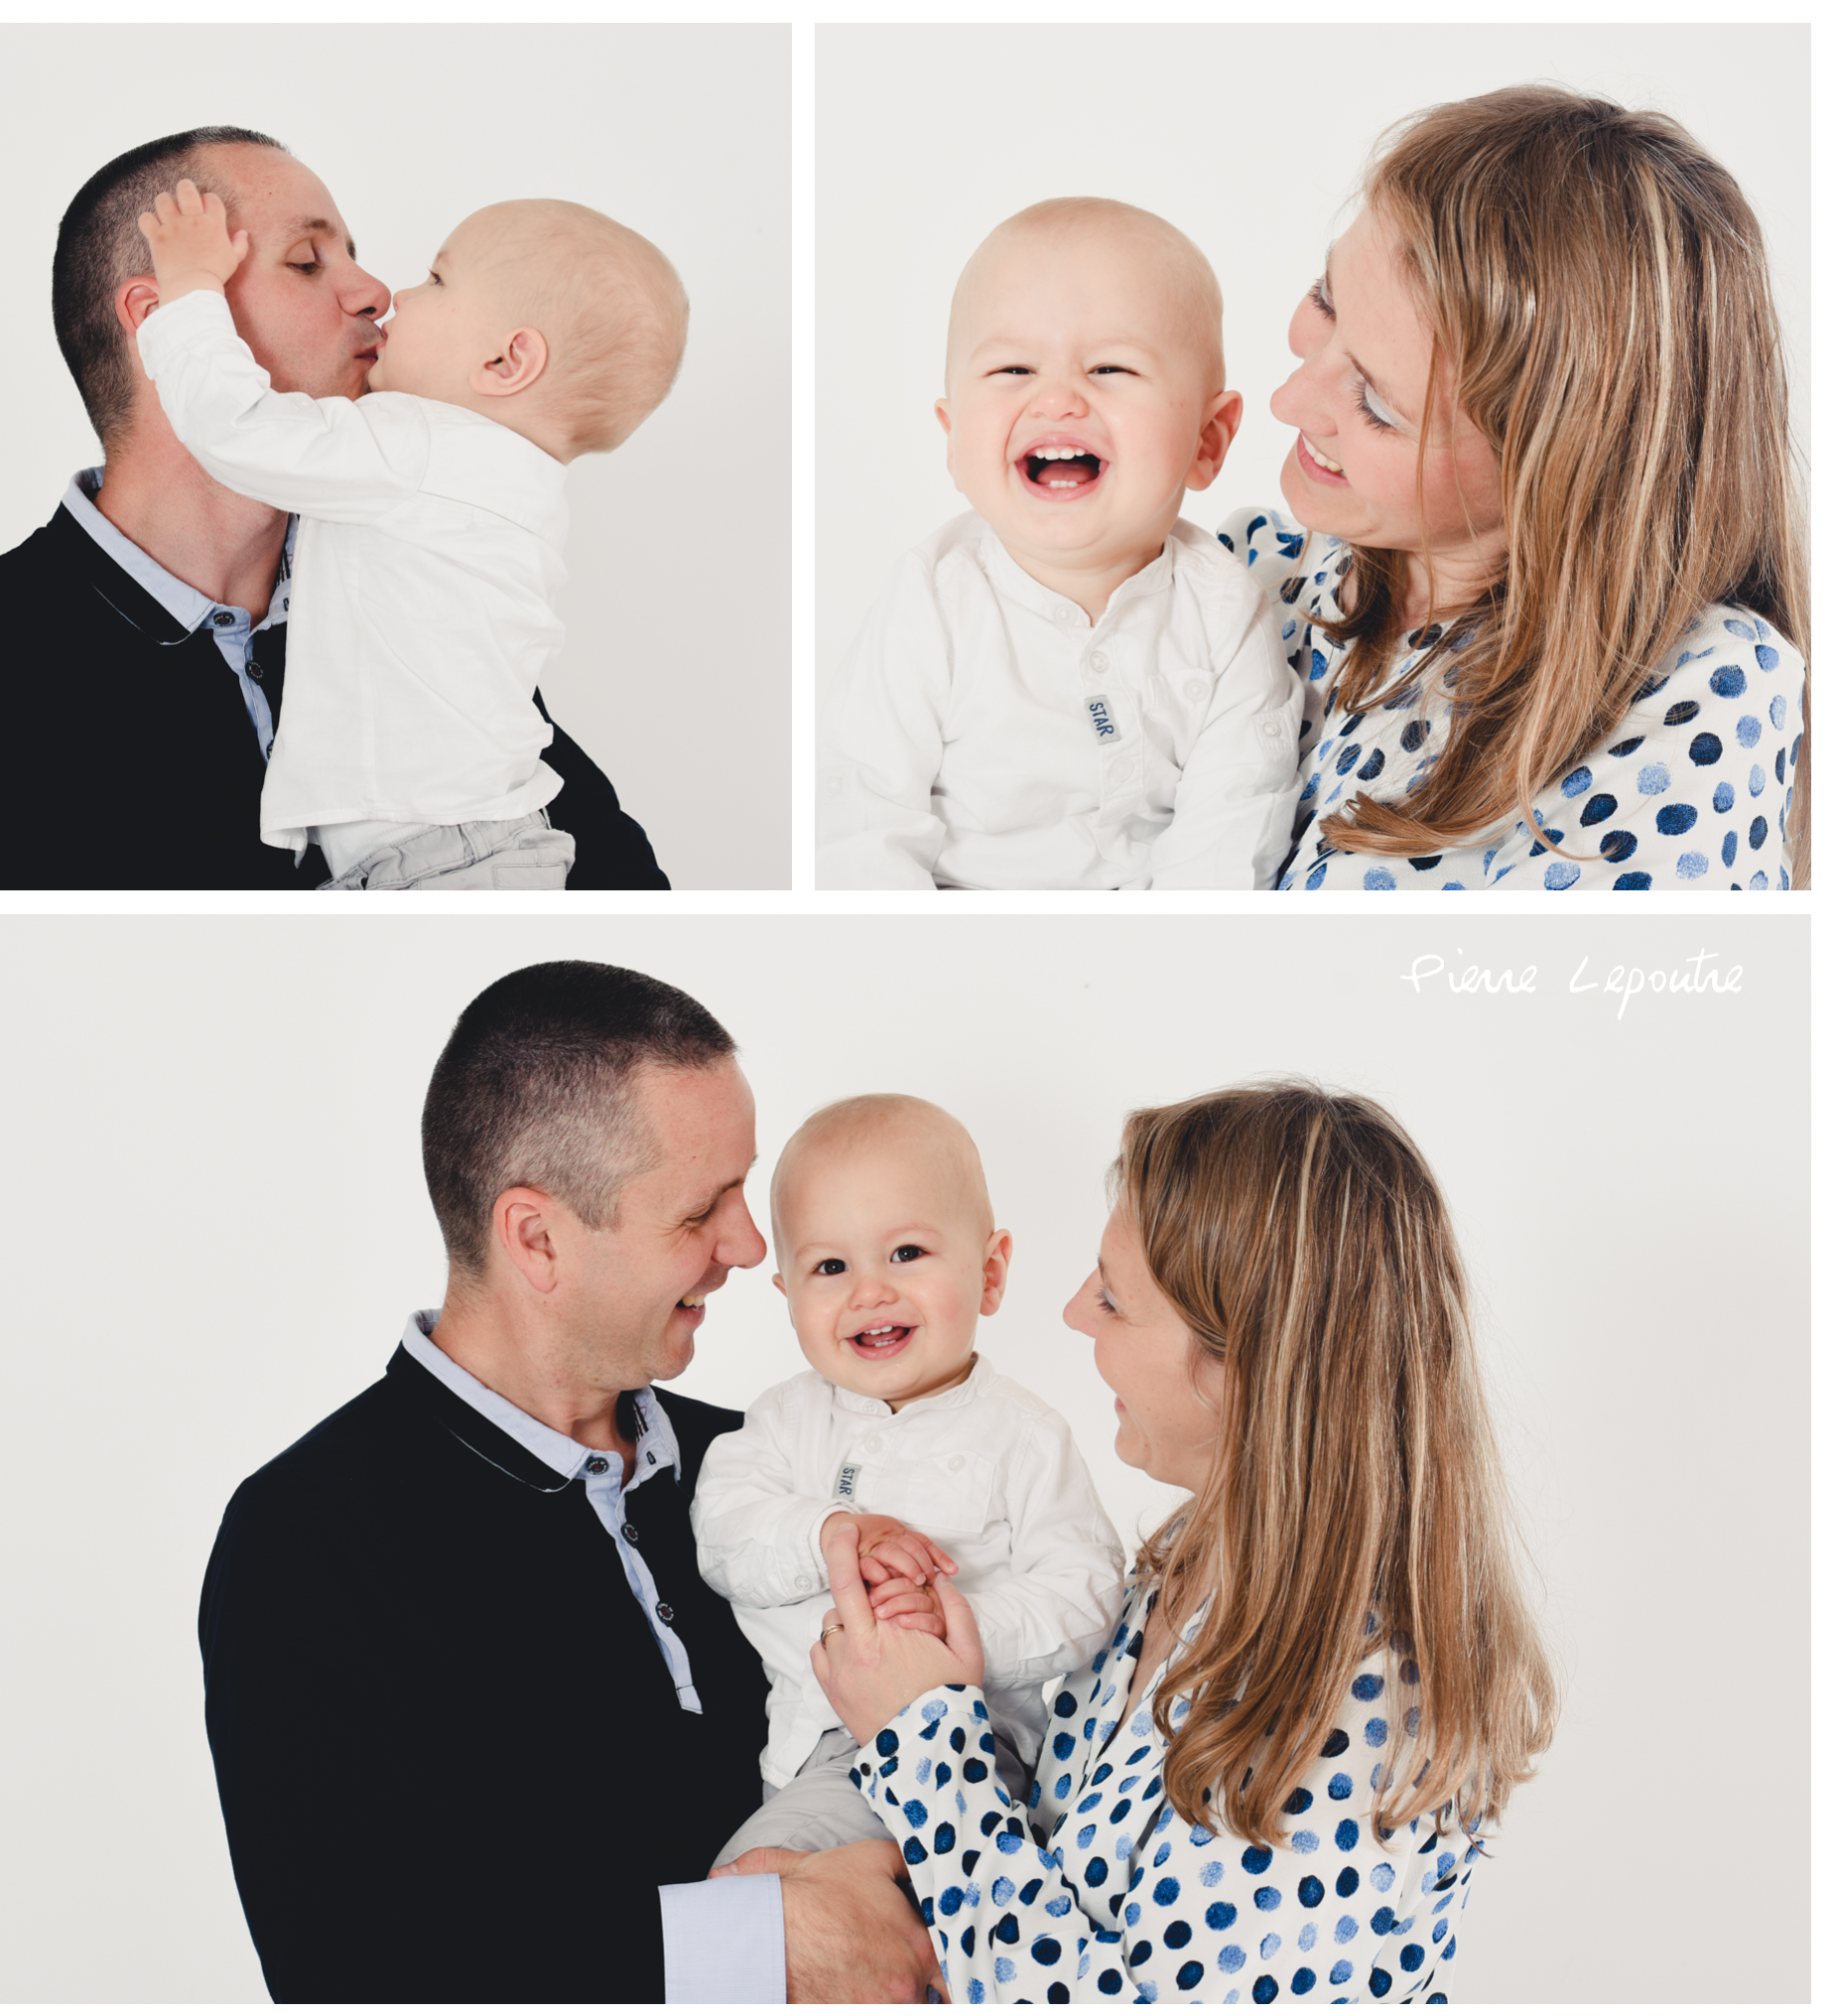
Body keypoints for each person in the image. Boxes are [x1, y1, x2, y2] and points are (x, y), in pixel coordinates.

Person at [197, 961, 945, 2002]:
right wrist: (753, 1944)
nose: (749, 1244)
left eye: (745, 1186)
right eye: (700, 1210)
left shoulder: (771, 1468)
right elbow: (346, 1964)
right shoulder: (308, 1537)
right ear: (537, 1239)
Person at [763, 1082, 1556, 2003]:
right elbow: (1045, 1894)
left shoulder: (1352, 1698)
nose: (1071, 1313)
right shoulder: (1179, 1567)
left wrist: (924, 1738)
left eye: (1112, 1297)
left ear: (1237, 1364)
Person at [0, 127, 668, 891]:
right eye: (308, 261)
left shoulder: (411, 603)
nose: (376, 292)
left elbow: (620, 896)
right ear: (166, 317)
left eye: (355, 256)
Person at [1221, 85, 1810, 890]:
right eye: (1326, 299)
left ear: (1555, 475)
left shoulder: (1692, 697)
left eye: (1381, 407)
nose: (1287, 401)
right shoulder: (1250, 575)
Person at [135, 181, 687, 889]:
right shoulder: (504, 481)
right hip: (474, 844)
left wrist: (189, 288)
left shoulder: (425, 448)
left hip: (440, 855)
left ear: (504, 362)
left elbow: (236, 428)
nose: (392, 294)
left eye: (436, 278)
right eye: (307, 261)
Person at [818, 198, 1302, 890]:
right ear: (952, 440)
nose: (1058, 400)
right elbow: (859, 814)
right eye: (1013, 370)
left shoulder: (1227, 611)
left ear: (1207, 439)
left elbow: (1232, 824)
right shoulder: (932, 600)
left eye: (1109, 369)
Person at [693, 1094, 1124, 1863]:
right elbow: (723, 1539)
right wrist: (831, 1533)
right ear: (787, 1298)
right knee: (780, 1919)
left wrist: (953, 1625)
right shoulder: (780, 1425)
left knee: (748, 1901)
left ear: (990, 1273)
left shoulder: (1023, 1434)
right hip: (817, 1756)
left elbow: (1086, 1589)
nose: (869, 1291)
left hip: (976, 1749)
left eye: (906, 1254)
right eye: (830, 1265)